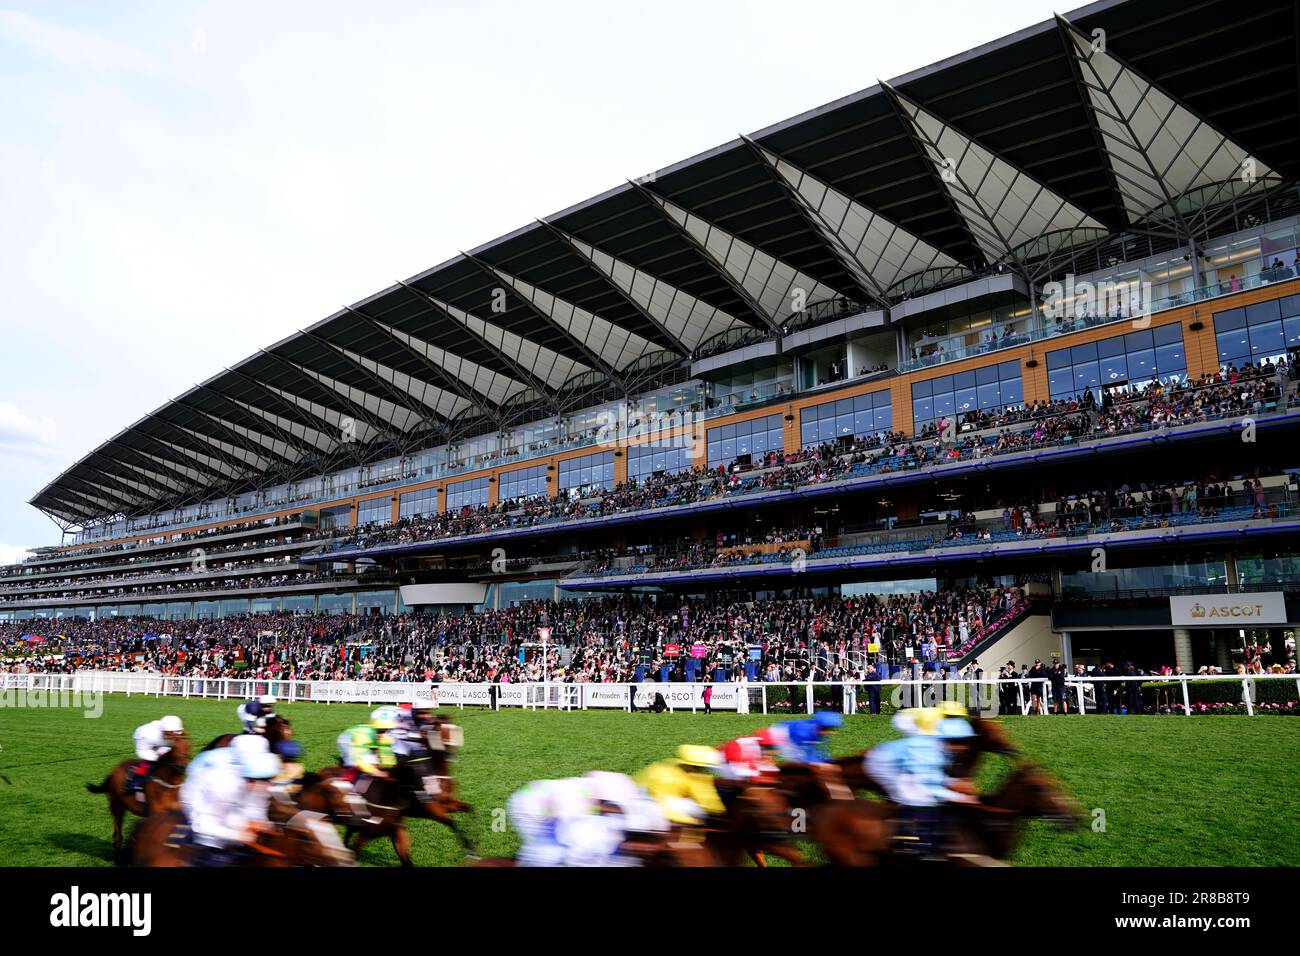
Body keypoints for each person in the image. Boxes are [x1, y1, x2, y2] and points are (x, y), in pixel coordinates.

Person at [864, 717, 979, 859]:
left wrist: (952, 783)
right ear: (946, 740)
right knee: (918, 798)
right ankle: (906, 842)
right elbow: (924, 782)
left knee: (934, 799)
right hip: (881, 762)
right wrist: (957, 795)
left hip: (907, 764)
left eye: (966, 742)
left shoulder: (944, 749)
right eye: (959, 742)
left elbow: (934, 775)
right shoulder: (928, 752)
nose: (964, 747)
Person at [181, 734, 282, 866]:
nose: (266, 786)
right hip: (200, 807)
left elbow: (256, 811)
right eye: (258, 780)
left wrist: (261, 824)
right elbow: (202, 825)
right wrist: (237, 835)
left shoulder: (258, 776)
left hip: (231, 804)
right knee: (216, 855)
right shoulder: (220, 783)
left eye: (268, 779)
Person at [636, 745, 725, 828]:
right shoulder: (665, 776)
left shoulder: (691, 776)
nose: (701, 770)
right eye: (698, 767)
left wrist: (719, 812)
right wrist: (690, 821)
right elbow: (663, 804)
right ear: (688, 764)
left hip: (657, 807)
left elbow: (708, 800)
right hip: (645, 807)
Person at [128, 715, 185, 793]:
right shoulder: (148, 735)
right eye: (172, 733)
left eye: (176, 732)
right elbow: (142, 751)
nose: (174, 736)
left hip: (159, 742)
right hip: (143, 743)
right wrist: (156, 757)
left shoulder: (170, 732)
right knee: (148, 762)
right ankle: (133, 781)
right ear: (165, 730)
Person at [775, 710, 843, 765]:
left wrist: (827, 761)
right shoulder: (806, 732)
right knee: (796, 762)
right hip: (781, 733)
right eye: (830, 729)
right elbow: (804, 756)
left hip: (792, 733)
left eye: (832, 729)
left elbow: (821, 752)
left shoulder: (819, 730)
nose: (832, 732)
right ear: (822, 726)